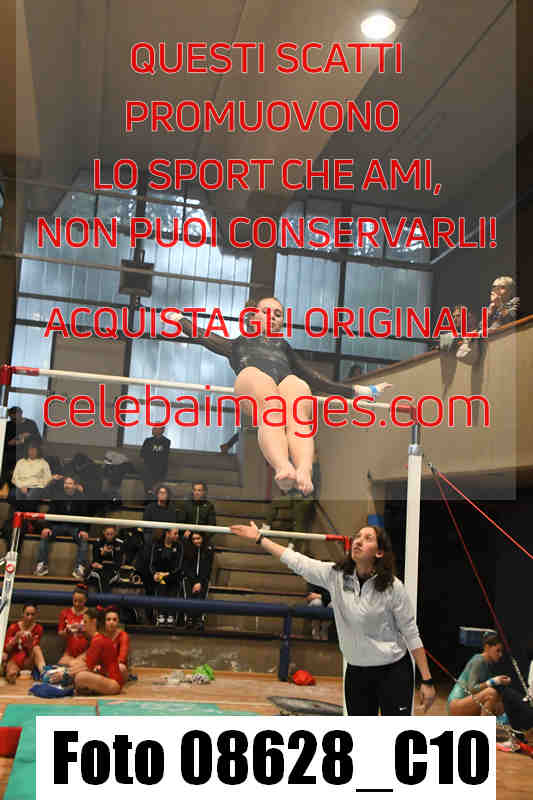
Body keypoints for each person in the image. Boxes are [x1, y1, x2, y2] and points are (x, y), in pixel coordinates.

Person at [169, 299, 391, 495]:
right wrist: (180, 320)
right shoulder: (239, 344)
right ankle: (282, 466)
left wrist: (360, 391)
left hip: (283, 382)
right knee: (271, 403)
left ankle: (304, 470)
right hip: (253, 380)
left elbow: (315, 378)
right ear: (252, 317)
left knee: (299, 394)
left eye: (278, 314)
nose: (273, 317)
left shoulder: (284, 347)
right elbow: (205, 336)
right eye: (266, 312)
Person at [230, 521, 436, 716]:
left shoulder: (393, 587)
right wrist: (260, 539)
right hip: (357, 672)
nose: (358, 541)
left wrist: (427, 680)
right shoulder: (335, 575)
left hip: (393, 672)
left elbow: (411, 634)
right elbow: (298, 562)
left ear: (379, 552)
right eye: (357, 537)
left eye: (368, 538)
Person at [33, 475, 92, 578]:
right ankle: (41, 565)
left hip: (74, 527)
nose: (67, 485)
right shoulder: (58, 495)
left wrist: (83, 530)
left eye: (70, 483)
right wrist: (47, 527)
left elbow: (85, 515)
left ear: (75, 486)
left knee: (83, 539)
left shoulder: (81, 497)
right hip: (58, 526)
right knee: (45, 535)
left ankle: (80, 567)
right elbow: (51, 512)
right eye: (65, 483)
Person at [447, 632, 510, 716]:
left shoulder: (489, 663)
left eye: (501, 651)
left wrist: (499, 682)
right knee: (491, 693)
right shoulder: (478, 661)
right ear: (487, 647)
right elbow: (472, 689)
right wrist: (494, 681)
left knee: (499, 699)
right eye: (497, 651)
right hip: (456, 705)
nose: (500, 655)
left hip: (467, 703)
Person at [72, 607, 124, 695]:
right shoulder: (97, 638)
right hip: (112, 681)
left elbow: (87, 667)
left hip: (113, 684)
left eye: (85, 622)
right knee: (78, 670)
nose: (83, 625)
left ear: (93, 622)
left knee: (80, 677)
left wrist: (65, 674)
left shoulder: (98, 640)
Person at [2, 604, 46, 684]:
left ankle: (44, 673)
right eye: (27, 614)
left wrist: (29, 644)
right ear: (22, 614)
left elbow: (32, 652)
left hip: (28, 660)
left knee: (36, 648)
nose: (30, 617)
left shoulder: (38, 628)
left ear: (36, 615)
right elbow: (6, 649)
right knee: (11, 672)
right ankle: (12, 674)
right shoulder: (13, 627)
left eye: (32, 614)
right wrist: (15, 638)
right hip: (14, 660)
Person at [150, 527, 184, 625]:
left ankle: (171, 616)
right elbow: (152, 564)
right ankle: (160, 615)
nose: (177, 536)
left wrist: (167, 574)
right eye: (175, 533)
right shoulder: (157, 544)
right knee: (161, 589)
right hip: (160, 577)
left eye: (178, 534)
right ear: (167, 533)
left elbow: (179, 566)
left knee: (172, 593)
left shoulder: (179, 546)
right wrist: (154, 573)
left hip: (173, 577)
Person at [11, 439, 56, 511]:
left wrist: (35, 485)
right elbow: (14, 478)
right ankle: (20, 513)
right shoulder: (20, 462)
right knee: (14, 494)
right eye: (30, 449)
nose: (32, 452)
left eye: (34, 450)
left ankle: (26, 515)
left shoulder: (43, 463)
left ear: (38, 451)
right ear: (27, 451)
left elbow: (48, 479)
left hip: (36, 487)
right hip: (21, 486)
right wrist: (21, 486)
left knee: (31, 495)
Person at [181, 531, 214, 630]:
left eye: (198, 538)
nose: (196, 541)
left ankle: (200, 620)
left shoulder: (208, 549)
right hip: (189, 579)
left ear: (202, 538)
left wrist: (199, 582)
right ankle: (189, 619)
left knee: (201, 597)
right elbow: (186, 567)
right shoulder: (187, 549)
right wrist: (195, 581)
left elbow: (207, 568)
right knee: (189, 598)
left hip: (203, 580)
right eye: (193, 539)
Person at [2, 406, 40, 484]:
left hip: (26, 452)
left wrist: (29, 435)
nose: (15, 421)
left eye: (16, 418)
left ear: (21, 414)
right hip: (11, 453)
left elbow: (38, 439)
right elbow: (4, 442)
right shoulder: (8, 425)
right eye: (12, 419)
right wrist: (12, 442)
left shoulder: (30, 423)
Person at [57, 585, 89, 666]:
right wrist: (66, 632)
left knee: (74, 665)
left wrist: (83, 630)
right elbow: (60, 633)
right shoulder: (65, 613)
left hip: (86, 652)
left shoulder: (90, 614)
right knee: (61, 663)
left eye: (80, 601)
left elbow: (95, 635)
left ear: (85, 600)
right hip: (69, 653)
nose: (77, 604)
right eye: (75, 601)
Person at [87, 525, 124, 593]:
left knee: (105, 576)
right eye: (107, 534)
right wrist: (102, 553)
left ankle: (102, 598)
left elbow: (118, 563)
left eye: (112, 534)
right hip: (98, 570)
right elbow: (95, 562)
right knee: (101, 576)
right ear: (103, 532)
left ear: (115, 533)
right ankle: (104, 598)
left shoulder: (119, 543)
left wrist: (112, 553)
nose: (109, 536)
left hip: (112, 571)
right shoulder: (98, 542)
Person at [140, 426, 171, 497]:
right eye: (153, 428)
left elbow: (163, 455)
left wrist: (152, 452)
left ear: (162, 430)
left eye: (155, 428)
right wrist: (153, 453)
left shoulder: (166, 441)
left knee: (158, 467)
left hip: (160, 466)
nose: (153, 430)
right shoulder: (148, 440)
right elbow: (142, 453)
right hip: (148, 465)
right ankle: (149, 493)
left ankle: (153, 493)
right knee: (146, 470)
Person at [104, 606, 130, 684]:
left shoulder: (123, 636)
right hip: (103, 668)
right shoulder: (100, 635)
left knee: (121, 667)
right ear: (104, 621)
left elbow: (122, 658)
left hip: (118, 668)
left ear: (118, 622)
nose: (111, 622)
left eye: (114, 620)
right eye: (108, 619)